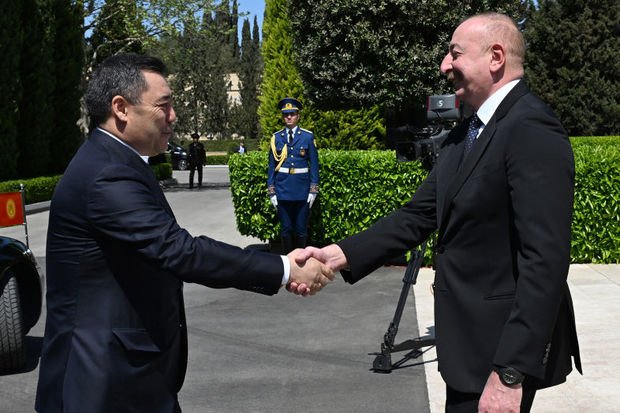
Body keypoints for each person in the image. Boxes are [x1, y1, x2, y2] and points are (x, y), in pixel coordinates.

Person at [296, 13, 581, 413]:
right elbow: (418, 215)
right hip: (467, 350)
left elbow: (545, 261)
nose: (445, 65)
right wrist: (337, 255)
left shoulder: (531, 128)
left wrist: (511, 373)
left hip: (498, 354)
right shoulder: (467, 131)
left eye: (455, 53)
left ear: (495, 57)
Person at [35, 53, 333, 413]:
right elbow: (179, 250)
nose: (173, 116)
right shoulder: (106, 174)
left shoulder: (116, 161)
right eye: (163, 106)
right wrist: (284, 269)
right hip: (99, 383)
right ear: (121, 108)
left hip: (130, 379)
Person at [267, 97, 319, 254]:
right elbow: (271, 166)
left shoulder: (307, 137)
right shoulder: (276, 138)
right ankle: (288, 261)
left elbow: (314, 165)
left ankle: (302, 261)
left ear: (298, 116)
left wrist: (313, 190)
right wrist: (272, 191)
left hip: (302, 191)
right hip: (283, 190)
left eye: (292, 114)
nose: (289, 117)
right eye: (286, 114)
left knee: (301, 229)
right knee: (286, 229)